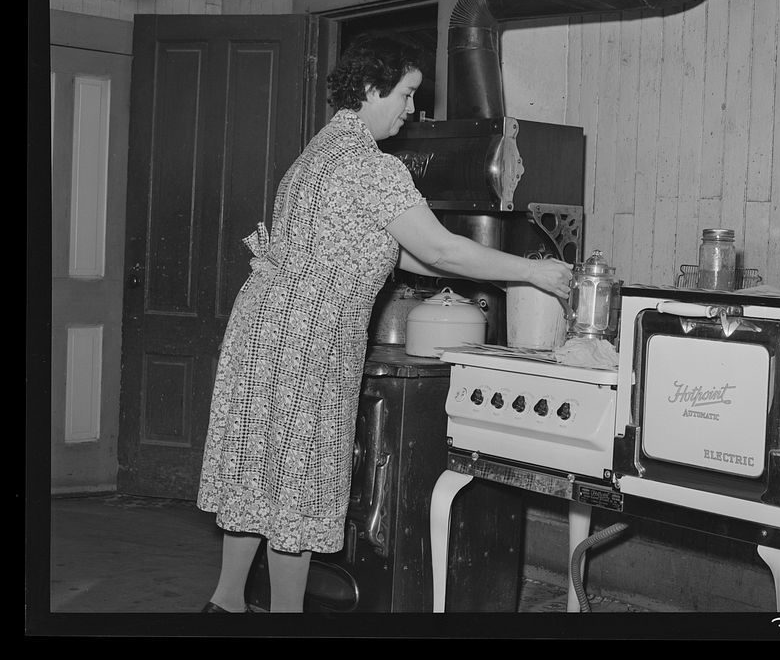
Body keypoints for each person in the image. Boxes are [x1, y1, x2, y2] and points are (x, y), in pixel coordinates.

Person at [196, 33, 572, 613]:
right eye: (405, 94)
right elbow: (443, 253)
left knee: (260, 474)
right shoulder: (373, 168)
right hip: (308, 340)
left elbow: (408, 254)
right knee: (298, 484)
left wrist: (504, 277)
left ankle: (224, 604)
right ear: (373, 90)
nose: (411, 109)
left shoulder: (318, 155)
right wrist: (535, 273)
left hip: (263, 331)